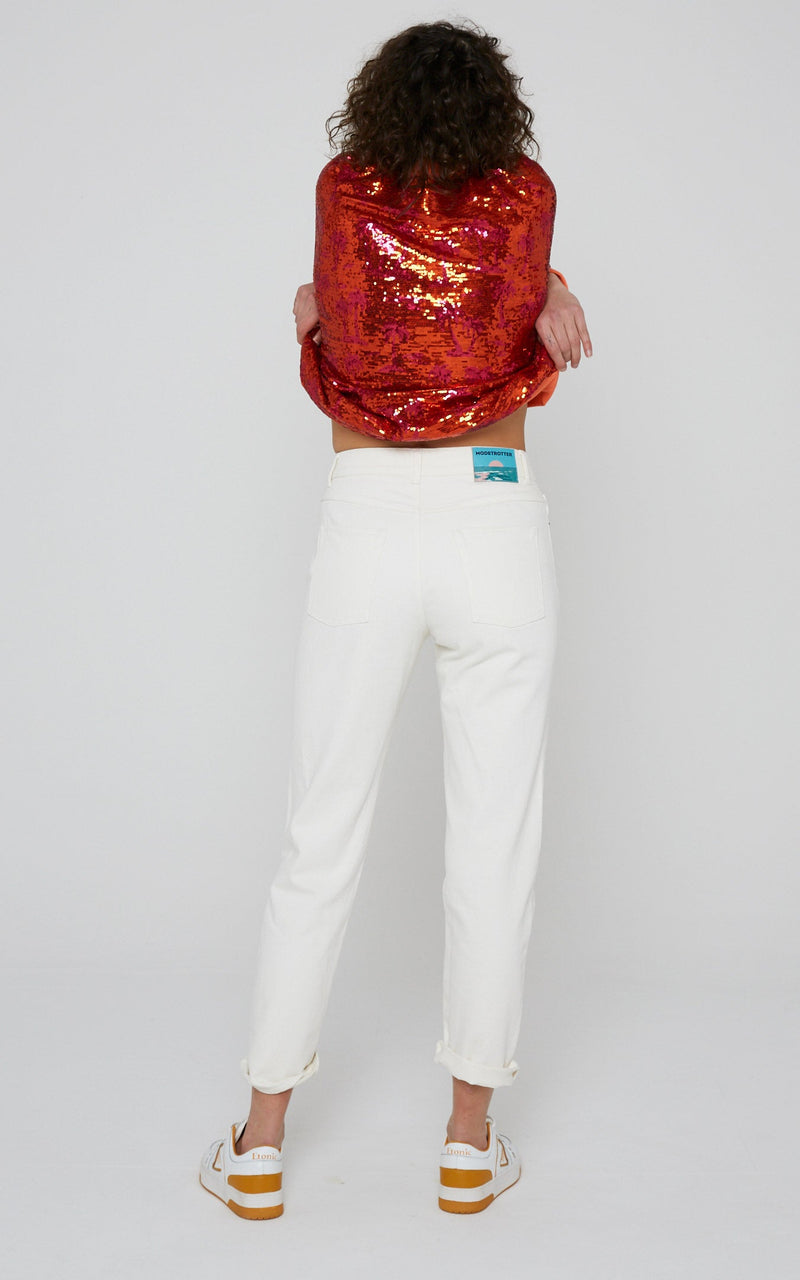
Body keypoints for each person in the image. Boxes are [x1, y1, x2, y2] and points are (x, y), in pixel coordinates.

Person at [200, 19, 592, 1220]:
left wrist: (308, 302)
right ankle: (468, 1143)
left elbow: (347, 320)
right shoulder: (526, 199)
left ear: (375, 105)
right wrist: (554, 288)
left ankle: (259, 1142)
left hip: (367, 515)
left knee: (317, 832)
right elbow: (503, 312)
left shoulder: (341, 190)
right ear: (497, 112)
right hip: (494, 512)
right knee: (494, 841)